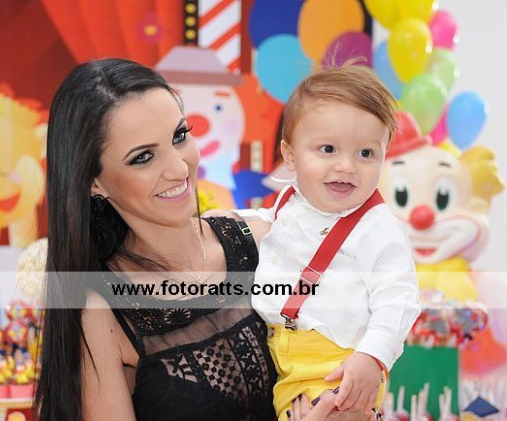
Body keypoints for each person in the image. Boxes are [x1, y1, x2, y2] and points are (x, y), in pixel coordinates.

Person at [35, 58, 278, 421]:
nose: (179, 169)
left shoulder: (259, 240)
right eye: (143, 157)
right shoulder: (99, 308)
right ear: (93, 182)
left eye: (180, 136)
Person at [235, 65, 421, 421]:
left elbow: (398, 300)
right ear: (290, 155)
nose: (347, 166)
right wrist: (226, 220)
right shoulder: (290, 201)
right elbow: (268, 222)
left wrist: (372, 356)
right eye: (328, 149)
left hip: (339, 363)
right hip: (285, 359)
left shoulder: (377, 228)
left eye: (366, 153)